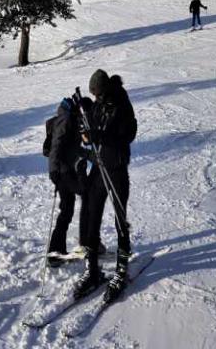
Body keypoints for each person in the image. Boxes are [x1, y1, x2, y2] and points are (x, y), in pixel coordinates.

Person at [75, 70, 138, 301]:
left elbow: (128, 135)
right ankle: (92, 269)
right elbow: (92, 124)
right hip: (99, 167)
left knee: (120, 217)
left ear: (105, 90)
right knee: (92, 213)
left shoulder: (121, 102)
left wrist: (100, 136)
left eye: (97, 94)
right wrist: (85, 114)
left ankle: (121, 270)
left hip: (117, 168)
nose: (96, 98)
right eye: (93, 95)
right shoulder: (99, 103)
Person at [41, 91, 91, 267]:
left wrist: (91, 155)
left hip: (65, 169)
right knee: (87, 194)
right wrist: (53, 171)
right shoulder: (66, 119)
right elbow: (56, 146)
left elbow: (73, 147)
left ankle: (55, 253)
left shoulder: (72, 119)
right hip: (62, 171)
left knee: (67, 210)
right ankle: (90, 244)